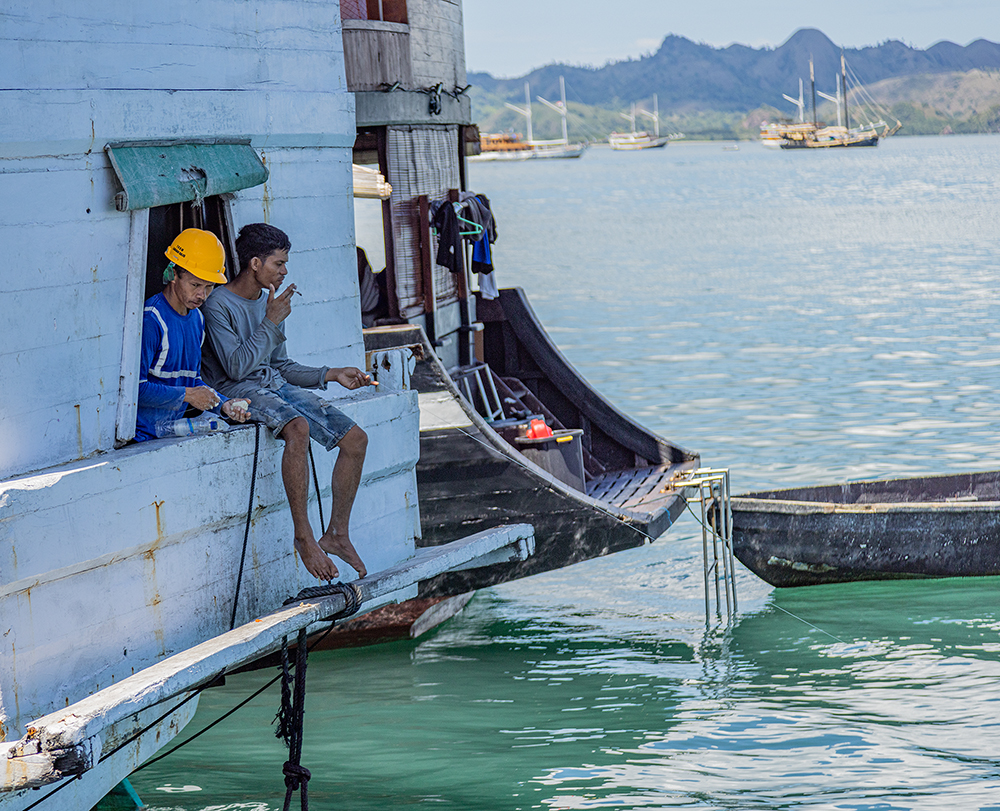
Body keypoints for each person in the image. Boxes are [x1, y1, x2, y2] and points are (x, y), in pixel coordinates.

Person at [201, 223, 373, 581]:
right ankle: (304, 535)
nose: (285, 271)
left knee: (356, 440)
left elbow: (280, 366)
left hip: (272, 384)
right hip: (235, 391)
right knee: (298, 428)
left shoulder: (269, 303)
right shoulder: (218, 303)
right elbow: (235, 368)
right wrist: (270, 320)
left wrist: (331, 373)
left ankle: (337, 534)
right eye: (279, 264)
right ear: (254, 263)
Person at [136, 228, 250, 442]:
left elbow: (193, 379)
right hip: (142, 437)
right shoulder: (152, 319)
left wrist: (224, 404)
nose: (202, 295)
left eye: (209, 287)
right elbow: (136, 390)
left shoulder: (197, 318)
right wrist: (188, 395)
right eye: (195, 285)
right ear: (173, 275)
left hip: (171, 433)